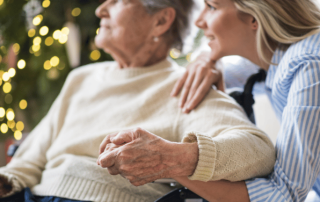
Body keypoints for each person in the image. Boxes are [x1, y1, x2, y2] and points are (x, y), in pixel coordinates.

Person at [0, 0, 276, 201]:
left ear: (161, 21)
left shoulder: (186, 86)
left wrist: (172, 158)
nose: (100, 9)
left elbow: (258, 151)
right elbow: (27, 163)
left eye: (119, 1)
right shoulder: (81, 78)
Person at [168, 0, 320, 201]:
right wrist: (210, 59)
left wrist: (169, 164)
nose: (198, 21)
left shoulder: (307, 67)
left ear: (254, 18)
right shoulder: (275, 56)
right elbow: (218, 73)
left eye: (211, 6)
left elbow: (283, 194)